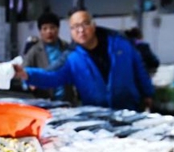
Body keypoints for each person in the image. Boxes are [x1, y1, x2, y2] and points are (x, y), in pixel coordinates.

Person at [15, 7, 154, 111]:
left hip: (129, 111)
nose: (80, 30)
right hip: (98, 117)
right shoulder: (72, 57)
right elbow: (52, 75)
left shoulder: (120, 43)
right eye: (74, 27)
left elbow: (139, 67)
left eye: (84, 24)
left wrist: (148, 93)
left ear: (93, 25)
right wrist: (25, 74)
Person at [22, 11, 74, 102]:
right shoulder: (34, 51)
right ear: (40, 32)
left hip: (67, 100)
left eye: (52, 28)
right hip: (45, 99)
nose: (49, 32)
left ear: (58, 29)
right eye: (44, 28)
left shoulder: (67, 48)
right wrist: (30, 84)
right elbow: (24, 70)